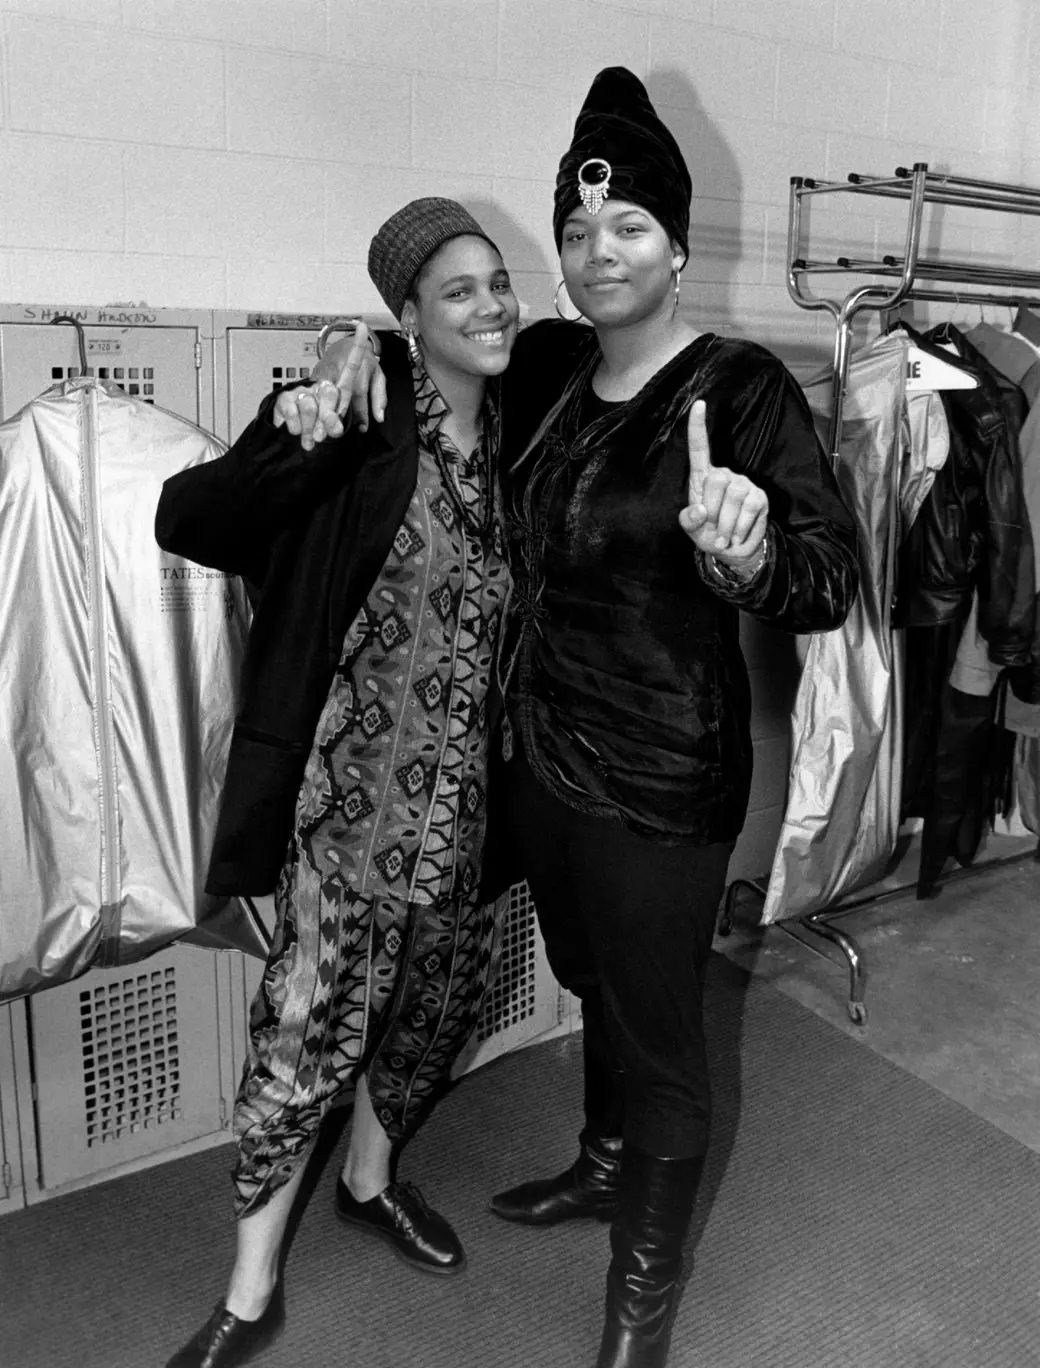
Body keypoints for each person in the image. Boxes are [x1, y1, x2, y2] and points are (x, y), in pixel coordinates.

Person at [299, 70, 858, 1368]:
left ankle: (636, 1324)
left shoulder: (741, 389)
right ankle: (602, 1166)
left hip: (662, 784)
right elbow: (432, 354)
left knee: (662, 1040)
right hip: (540, 769)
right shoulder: (547, 364)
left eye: (631, 230)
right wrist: (351, 347)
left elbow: (828, 582)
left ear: (676, 245)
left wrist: (750, 556)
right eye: (578, 229)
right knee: (595, 983)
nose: (598, 254)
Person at [154, 197, 519, 1368]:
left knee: (427, 1022)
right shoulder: (356, 420)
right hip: (343, 813)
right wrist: (296, 417)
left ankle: (369, 1183)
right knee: (302, 1041)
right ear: (405, 315)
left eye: (496, 279)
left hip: (462, 820)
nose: (489, 303)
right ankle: (249, 1294)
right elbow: (192, 516)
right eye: (454, 289)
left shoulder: (522, 436)